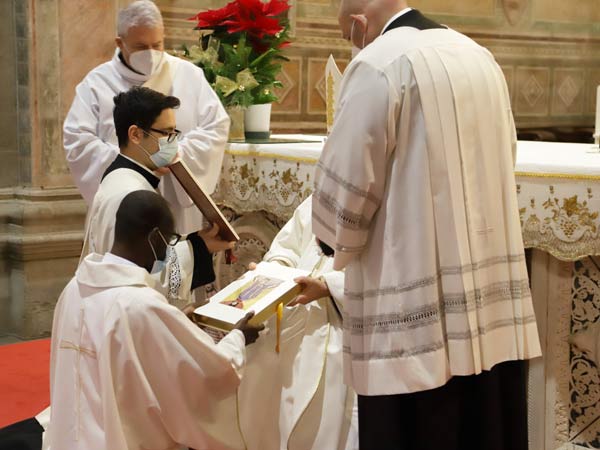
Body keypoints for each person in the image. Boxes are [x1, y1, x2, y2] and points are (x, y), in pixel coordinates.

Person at [312, 2, 542, 449]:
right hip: (487, 299)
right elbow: (507, 154)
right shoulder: (479, 56)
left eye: (346, 36)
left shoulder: (378, 63)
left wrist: (331, 238)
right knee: (484, 426)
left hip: (413, 310)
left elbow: (348, 187)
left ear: (358, 25)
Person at [48, 190, 263, 450]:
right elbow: (206, 376)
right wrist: (238, 338)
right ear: (153, 238)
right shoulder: (140, 305)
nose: (167, 251)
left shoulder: (73, 288)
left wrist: (175, 323)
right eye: (169, 240)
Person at [63, 0, 229, 234]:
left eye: (157, 44)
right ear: (120, 43)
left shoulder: (189, 75)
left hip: (176, 203)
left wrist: (174, 154)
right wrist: (136, 162)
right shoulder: (97, 83)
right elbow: (78, 142)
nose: (150, 53)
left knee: (178, 255)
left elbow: (216, 127)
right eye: (141, 46)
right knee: (124, 254)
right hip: (121, 203)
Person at [82, 85, 233, 309]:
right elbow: (144, 278)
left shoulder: (122, 177)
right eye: (166, 133)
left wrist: (195, 241)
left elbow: (147, 251)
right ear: (135, 134)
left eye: (175, 133)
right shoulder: (130, 194)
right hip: (125, 313)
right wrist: (200, 249)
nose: (173, 142)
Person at [233, 196, 358, 450]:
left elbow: (388, 276)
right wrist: (273, 271)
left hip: (343, 321)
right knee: (259, 380)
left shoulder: (385, 202)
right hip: (293, 314)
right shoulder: (324, 194)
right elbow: (287, 246)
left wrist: (328, 286)